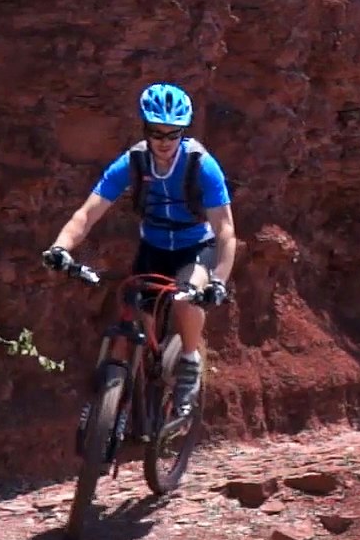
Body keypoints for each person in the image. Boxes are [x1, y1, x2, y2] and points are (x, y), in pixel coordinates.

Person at [42, 83, 236, 420]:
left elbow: (225, 231)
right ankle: (133, 384)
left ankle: (190, 358)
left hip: (194, 247)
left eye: (172, 134)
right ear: (145, 130)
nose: (163, 142)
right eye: (156, 133)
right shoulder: (132, 163)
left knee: (186, 297)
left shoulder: (201, 165)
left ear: (182, 132)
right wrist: (61, 247)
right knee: (140, 317)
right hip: (153, 246)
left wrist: (218, 280)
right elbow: (87, 214)